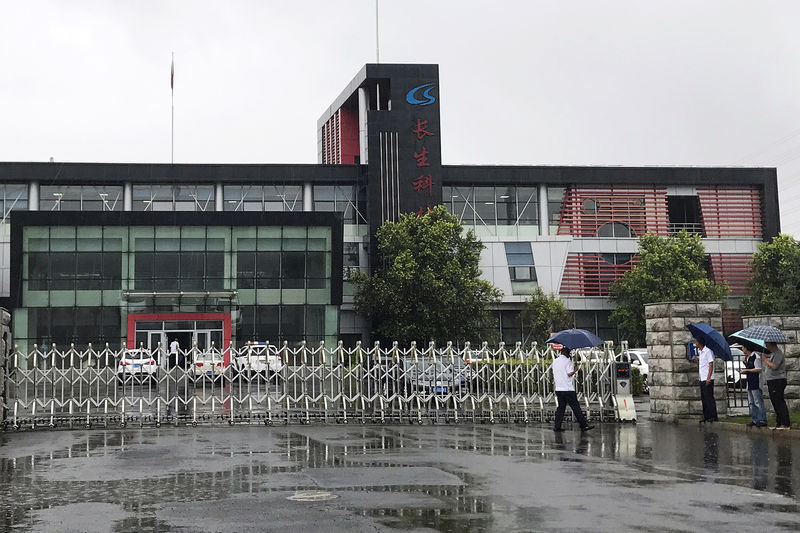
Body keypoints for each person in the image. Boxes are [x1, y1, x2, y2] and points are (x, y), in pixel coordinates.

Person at [552, 348, 594, 432]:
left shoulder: (555, 361)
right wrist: (575, 370)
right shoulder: (568, 362)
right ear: (567, 354)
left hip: (559, 388)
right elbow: (569, 374)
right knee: (576, 407)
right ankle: (583, 425)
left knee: (560, 408)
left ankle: (557, 426)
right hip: (567, 389)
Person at [762, 341, 790, 430]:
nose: (766, 346)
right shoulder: (773, 354)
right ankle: (779, 422)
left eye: (767, 344)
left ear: (771, 344)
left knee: (779, 401)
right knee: (775, 402)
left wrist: (765, 360)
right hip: (772, 380)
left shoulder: (778, 353)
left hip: (777, 380)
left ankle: (785, 423)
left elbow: (774, 366)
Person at [739, 345, 767, 427]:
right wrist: (744, 362)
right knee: (751, 403)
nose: (742, 349)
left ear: (747, 347)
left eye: (743, 347)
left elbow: (758, 369)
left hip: (756, 382)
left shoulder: (756, 356)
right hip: (750, 382)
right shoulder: (747, 357)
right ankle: (754, 419)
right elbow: (749, 366)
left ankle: (762, 420)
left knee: (758, 401)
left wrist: (747, 370)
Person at [692, 337, 718, 423]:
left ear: (700, 343)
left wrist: (708, 377)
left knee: (709, 398)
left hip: (707, 378)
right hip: (702, 377)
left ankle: (713, 416)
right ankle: (706, 415)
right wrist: (696, 360)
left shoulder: (708, 351)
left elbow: (710, 364)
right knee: (704, 398)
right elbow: (703, 364)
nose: (695, 343)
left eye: (696, 342)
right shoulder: (701, 352)